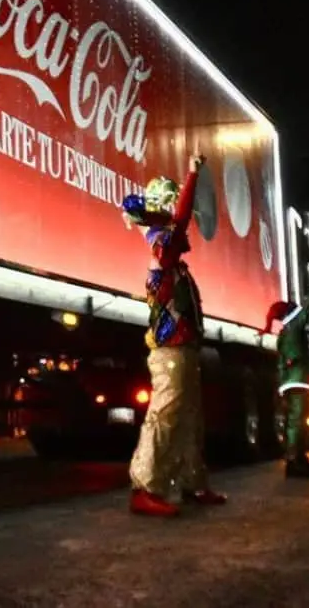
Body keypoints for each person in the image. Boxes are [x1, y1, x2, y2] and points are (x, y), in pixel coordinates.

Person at [121, 153, 227, 517]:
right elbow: (180, 218)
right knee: (164, 416)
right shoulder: (162, 252)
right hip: (170, 351)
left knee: (190, 418)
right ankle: (146, 487)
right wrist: (193, 175)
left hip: (184, 349)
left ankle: (192, 484)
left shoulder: (174, 263)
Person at [265, 268, 309, 478]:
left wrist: (281, 386)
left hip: (291, 382)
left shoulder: (284, 333)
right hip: (299, 380)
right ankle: (294, 461)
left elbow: (281, 362)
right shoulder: (296, 324)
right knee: (298, 422)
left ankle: (299, 459)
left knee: (296, 421)